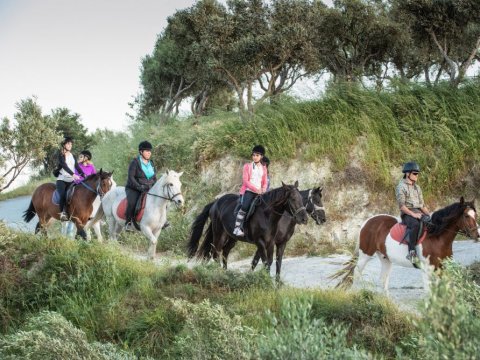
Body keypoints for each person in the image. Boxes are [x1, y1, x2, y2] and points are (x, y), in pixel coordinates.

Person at [395, 161, 430, 263]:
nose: (417, 176)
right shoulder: (401, 187)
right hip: (407, 213)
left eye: (417, 173)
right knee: (415, 224)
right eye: (415, 173)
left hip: (419, 211)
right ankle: (412, 252)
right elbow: (402, 206)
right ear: (407, 174)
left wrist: (429, 215)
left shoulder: (417, 187)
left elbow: (422, 205)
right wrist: (414, 214)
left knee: (431, 223)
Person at [233, 145, 268, 237]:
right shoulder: (247, 166)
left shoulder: (264, 168)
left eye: (257, 155)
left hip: (260, 192)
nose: (255, 157)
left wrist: (264, 189)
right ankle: (237, 228)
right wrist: (256, 189)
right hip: (249, 191)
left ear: (261, 156)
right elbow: (245, 181)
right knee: (245, 206)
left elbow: (265, 181)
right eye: (253, 155)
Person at [125, 141, 157, 231]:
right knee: (132, 202)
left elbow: (154, 177)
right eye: (147, 151)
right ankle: (128, 222)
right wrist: (139, 187)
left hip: (148, 187)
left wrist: (155, 186)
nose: (149, 153)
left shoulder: (151, 163)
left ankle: (163, 221)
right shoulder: (135, 162)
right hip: (134, 187)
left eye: (150, 151)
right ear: (141, 152)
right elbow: (131, 177)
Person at [55, 137, 85, 221]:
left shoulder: (73, 156)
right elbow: (64, 166)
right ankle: (62, 213)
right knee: (63, 195)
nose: (70, 145)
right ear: (64, 145)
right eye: (68, 143)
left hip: (71, 180)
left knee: (75, 195)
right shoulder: (61, 155)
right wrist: (73, 174)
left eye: (71, 144)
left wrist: (83, 174)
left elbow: (77, 166)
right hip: (62, 180)